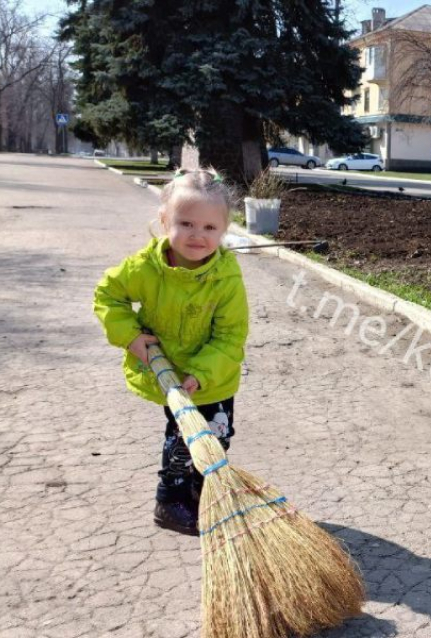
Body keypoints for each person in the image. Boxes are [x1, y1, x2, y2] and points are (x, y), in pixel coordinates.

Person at [93, 168, 249, 535]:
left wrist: (202, 374)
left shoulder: (225, 277)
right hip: (170, 377)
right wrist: (130, 336)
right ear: (165, 220)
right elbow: (107, 295)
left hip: (213, 378)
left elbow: (230, 335)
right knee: (182, 439)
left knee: (217, 436)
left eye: (210, 228)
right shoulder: (145, 268)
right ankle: (171, 501)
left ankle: (202, 490)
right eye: (187, 223)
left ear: (224, 230)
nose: (198, 235)